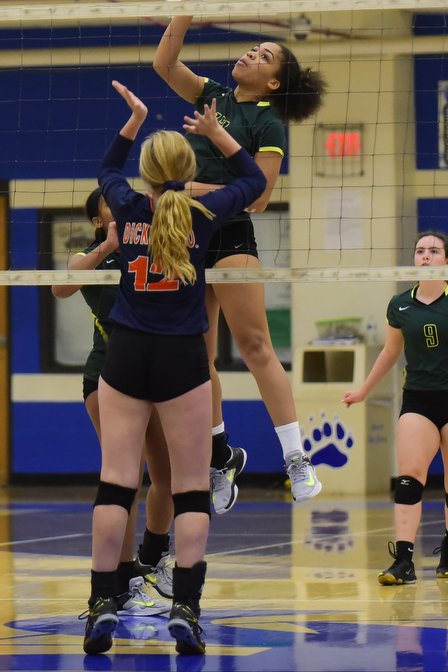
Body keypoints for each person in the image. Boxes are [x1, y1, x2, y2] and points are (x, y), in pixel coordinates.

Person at [82, 80, 266, 656]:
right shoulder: (204, 208)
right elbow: (255, 184)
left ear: (146, 171)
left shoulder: (129, 205)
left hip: (127, 355)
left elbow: (106, 167)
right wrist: (219, 134)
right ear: (187, 170)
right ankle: (185, 607)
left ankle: (101, 604)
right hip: (184, 357)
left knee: (117, 482)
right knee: (188, 489)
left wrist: (133, 120)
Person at [152, 0, 326, 512]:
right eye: (253, 48)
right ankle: (220, 453)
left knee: (254, 347)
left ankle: (296, 457)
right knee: (195, 354)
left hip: (228, 233)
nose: (252, 54)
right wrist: (187, 4)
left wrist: (189, 188)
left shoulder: (267, 122)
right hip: (184, 236)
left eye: (264, 55)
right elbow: (164, 65)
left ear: (274, 82)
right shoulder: (215, 94)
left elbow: (258, 197)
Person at [342, 231, 448, 585]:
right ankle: (403, 561)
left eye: (433, 251)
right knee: (409, 478)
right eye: (420, 251)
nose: (425, 256)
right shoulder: (400, 304)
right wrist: (363, 390)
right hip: (418, 401)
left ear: (447, 262)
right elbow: (391, 352)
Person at [51, 197, 174, 613]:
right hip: (107, 377)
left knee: (169, 476)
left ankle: (152, 557)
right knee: (125, 478)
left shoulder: (153, 251)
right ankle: (119, 580)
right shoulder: (92, 258)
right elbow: (61, 287)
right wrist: (109, 245)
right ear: (96, 219)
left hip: (157, 376)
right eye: (110, 206)